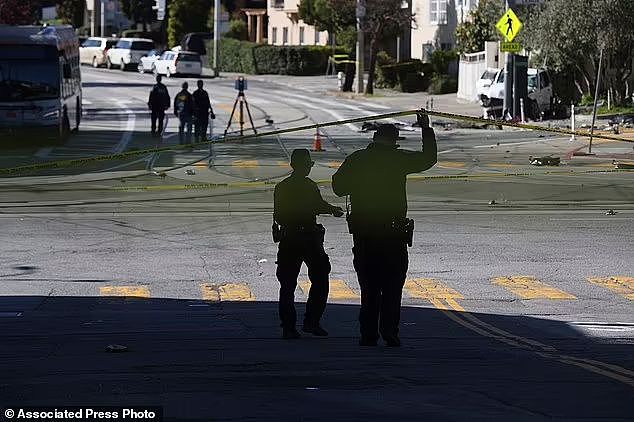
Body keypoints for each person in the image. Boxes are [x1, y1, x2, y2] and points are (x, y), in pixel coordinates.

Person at [332, 111, 437, 347]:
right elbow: (429, 158)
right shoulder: (398, 160)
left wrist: (358, 183)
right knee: (392, 286)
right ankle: (390, 332)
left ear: (374, 139)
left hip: (365, 234)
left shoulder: (357, 159)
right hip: (392, 234)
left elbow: (338, 188)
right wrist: (426, 128)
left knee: (368, 287)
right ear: (393, 142)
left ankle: (368, 334)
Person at [273, 149, 344, 340]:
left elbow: (278, 215)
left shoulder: (282, 186)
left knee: (287, 285)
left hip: (289, 239)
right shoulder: (308, 186)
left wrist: (328, 209)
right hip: (308, 239)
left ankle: (290, 327)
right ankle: (311, 322)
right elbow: (318, 205)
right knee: (320, 281)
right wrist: (332, 210)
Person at [174, 81, 195, 146]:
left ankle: (182, 142)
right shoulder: (187, 95)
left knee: (183, 128)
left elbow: (177, 104)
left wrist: (176, 110)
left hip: (184, 113)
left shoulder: (181, 95)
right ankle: (186, 142)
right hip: (185, 113)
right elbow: (178, 103)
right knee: (187, 128)